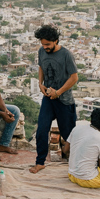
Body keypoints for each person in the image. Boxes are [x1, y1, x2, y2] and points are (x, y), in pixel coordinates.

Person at [30, 24, 79, 174]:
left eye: (48, 44)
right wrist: (40, 83)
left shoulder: (66, 55)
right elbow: (41, 67)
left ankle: (79, 162)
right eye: (43, 44)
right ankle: (40, 162)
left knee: (69, 135)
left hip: (64, 100)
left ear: (56, 41)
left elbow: (74, 77)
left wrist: (59, 92)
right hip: (48, 98)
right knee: (42, 130)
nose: (45, 47)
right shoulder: (41, 51)